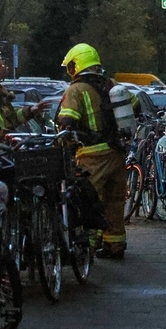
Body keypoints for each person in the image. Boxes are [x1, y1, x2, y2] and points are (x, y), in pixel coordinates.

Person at [55, 43, 127, 259]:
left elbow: (67, 120)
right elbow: (134, 106)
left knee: (90, 201)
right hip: (117, 152)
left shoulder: (76, 90)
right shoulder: (112, 85)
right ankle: (115, 245)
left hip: (92, 155)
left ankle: (89, 246)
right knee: (115, 201)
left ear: (76, 65)